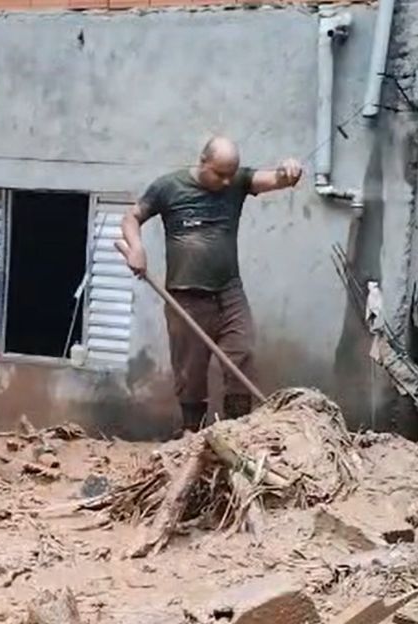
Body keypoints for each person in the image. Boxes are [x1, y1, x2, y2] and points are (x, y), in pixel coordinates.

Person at [117, 136, 303, 431]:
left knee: (241, 355)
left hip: (229, 292)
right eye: (220, 174)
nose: (227, 182)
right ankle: (193, 435)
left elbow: (276, 179)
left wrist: (289, 170)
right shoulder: (169, 187)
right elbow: (132, 218)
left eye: (232, 174)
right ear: (203, 161)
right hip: (185, 299)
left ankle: (238, 432)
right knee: (190, 374)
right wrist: (137, 248)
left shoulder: (237, 182)